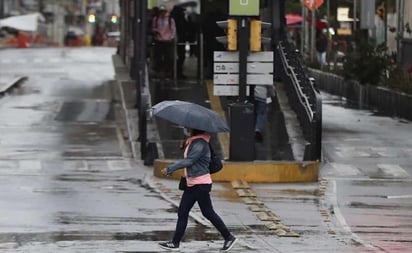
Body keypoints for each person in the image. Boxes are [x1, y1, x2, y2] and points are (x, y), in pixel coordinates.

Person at [159, 128, 237, 252]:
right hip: (193, 183)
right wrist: (185, 143)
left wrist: (170, 168)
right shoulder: (194, 141)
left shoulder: (200, 143)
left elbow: (190, 160)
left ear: (194, 129)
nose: (186, 129)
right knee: (183, 212)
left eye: (188, 128)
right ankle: (175, 243)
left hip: (200, 184)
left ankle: (229, 237)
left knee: (207, 213)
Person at [152, 5, 176, 78]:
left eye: (164, 12)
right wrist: (156, 32)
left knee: (168, 57)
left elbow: (173, 30)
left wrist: (171, 37)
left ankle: (167, 72)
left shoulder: (170, 20)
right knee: (158, 57)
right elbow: (153, 28)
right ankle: (159, 72)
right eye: (161, 12)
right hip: (159, 40)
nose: (162, 13)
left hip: (167, 41)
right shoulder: (156, 19)